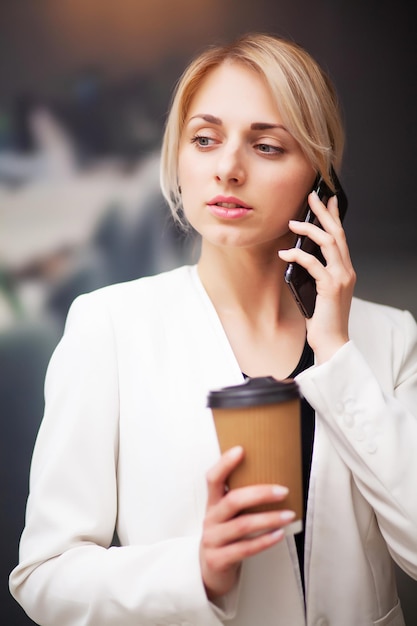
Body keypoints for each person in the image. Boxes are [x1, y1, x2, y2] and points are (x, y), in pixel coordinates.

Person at [9, 33, 417, 626]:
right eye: (204, 140)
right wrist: (195, 571)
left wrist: (335, 352)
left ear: (319, 178)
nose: (228, 168)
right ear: (179, 159)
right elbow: (44, 577)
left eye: (268, 147)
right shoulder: (110, 327)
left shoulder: (390, 339)